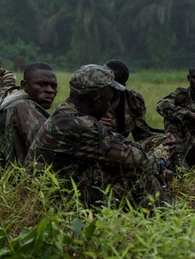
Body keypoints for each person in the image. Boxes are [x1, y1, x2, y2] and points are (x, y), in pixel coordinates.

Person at [29, 64, 172, 207]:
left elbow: (117, 142)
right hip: (52, 199)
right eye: (108, 100)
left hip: (55, 188)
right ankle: (169, 219)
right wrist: (160, 162)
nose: (109, 105)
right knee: (140, 179)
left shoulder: (67, 112)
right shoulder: (79, 126)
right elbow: (137, 161)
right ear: (97, 101)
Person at [0, 62, 58, 167]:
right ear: (24, 85)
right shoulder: (22, 106)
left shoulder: (14, 100)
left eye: (54, 86)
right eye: (41, 84)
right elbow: (48, 151)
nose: (50, 90)